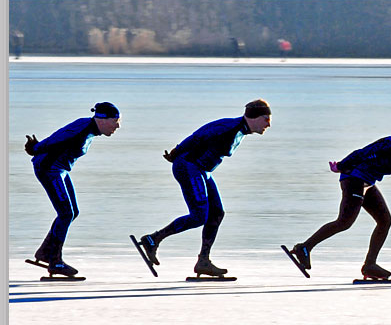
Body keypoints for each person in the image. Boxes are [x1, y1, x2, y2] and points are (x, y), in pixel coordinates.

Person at [138, 99, 272, 276]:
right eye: (266, 119)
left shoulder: (240, 130)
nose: (269, 124)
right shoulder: (229, 127)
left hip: (202, 171)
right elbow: (198, 135)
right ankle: (153, 239)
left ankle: (203, 261)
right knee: (199, 216)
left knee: (216, 213)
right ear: (254, 117)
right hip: (188, 166)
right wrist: (176, 152)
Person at [289, 121, 391, 279]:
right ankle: (304, 248)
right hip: (354, 179)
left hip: (367, 182)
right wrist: (341, 165)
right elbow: (362, 152)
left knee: (385, 220)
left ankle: (370, 265)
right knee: (344, 222)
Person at [25, 102, 122, 276]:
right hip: (49, 169)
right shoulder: (83, 128)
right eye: (115, 120)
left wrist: (39, 147)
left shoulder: (90, 128)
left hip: (60, 169)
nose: (118, 126)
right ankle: (55, 261)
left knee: (72, 212)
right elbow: (58, 138)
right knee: (66, 213)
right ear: (103, 119)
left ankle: (46, 252)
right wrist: (36, 148)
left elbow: (61, 138)